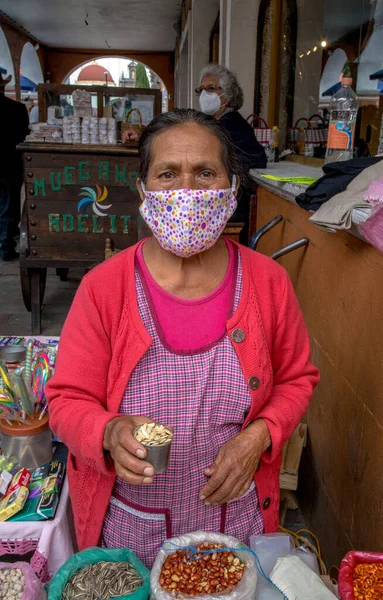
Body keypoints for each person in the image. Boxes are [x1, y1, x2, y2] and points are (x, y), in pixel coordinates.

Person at [46, 109, 319, 569]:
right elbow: (66, 400)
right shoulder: (104, 287)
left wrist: (258, 438)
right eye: (168, 174)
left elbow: (297, 380)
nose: (187, 191)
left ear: (232, 189)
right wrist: (109, 432)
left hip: (237, 520)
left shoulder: (268, 283)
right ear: (143, 190)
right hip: (133, 524)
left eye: (206, 173)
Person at [197, 64, 267, 244]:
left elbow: (253, 162)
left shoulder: (230, 126)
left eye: (211, 88)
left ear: (227, 96)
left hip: (230, 210)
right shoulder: (217, 125)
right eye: (202, 90)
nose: (205, 94)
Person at [0, 73, 29, 261]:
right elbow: (24, 135)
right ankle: (5, 246)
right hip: (9, 166)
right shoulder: (17, 109)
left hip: (8, 167)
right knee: (8, 209)